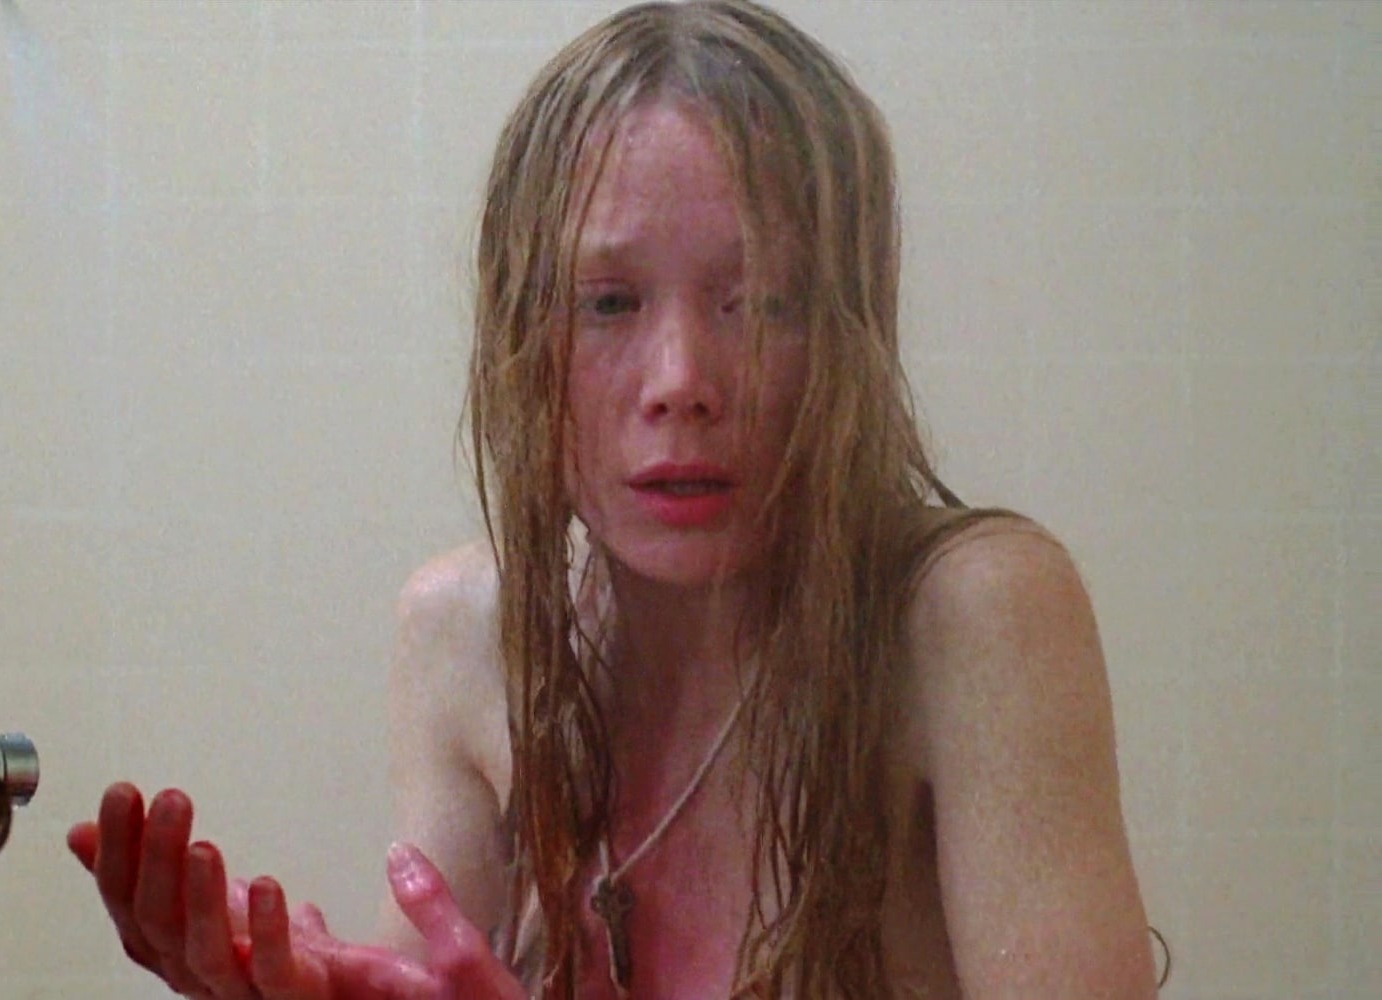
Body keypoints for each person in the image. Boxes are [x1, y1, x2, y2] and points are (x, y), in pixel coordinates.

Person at [68, 1, 1162, 996]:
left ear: (849, 335)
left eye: (762, 302)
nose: (682, 381)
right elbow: (420, 982)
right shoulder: (470, 635)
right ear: (517, 337)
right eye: (607, 303)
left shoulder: (969, 617)